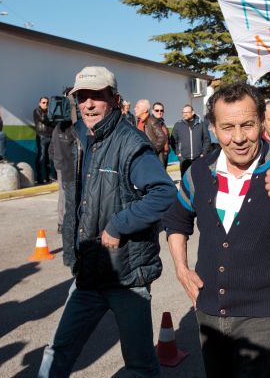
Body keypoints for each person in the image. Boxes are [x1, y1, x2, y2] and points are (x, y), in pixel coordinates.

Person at [163, 82, 270, 378]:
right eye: (228, 127)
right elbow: (177, 220)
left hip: (260, 316)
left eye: (248, 125)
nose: (239, 138)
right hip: (208, 311)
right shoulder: (199, 172)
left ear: (262, 123)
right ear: (213, 129)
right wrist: (181, 268)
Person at [38, 66, 176, 377]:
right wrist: (73, 255)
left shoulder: (130, 143)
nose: (88, 104)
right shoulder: (79, 139)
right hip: (89, 271)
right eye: (82, 97)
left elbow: (164, 194)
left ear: (113, 100)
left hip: (126, 276)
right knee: (58, 351)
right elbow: (79, 202)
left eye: (96, 97)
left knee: (140, 364)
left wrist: (118, 225)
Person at [170, 104, 211, 177]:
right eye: (183, 112)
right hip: (184, 159)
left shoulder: (201, 124)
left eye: (187, 112)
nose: (184, 114)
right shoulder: (178, 125)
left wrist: (203, 153)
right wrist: (178, 153)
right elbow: (173, 140)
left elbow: (207, 140)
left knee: (198, 179)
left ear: (192, 112)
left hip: (198, 158)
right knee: (185, 180)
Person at [49, 119, 74, 236]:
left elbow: (51, 147)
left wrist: (56, 162)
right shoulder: (74, 127)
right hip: (69, 165)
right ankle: (65, 223)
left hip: (60, 164)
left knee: (63, 194)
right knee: (66, 194)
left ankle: (61, 223)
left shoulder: (57, 127)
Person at [133, 98, 168, 163]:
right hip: (142, 158)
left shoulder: (152, 121)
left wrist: (152, 151)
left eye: (137, 107)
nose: (134, 109)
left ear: (145, 110)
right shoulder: (139, 121)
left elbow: (163, 137)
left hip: (152, 159)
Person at [33, 97, 56, 184]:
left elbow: (55, 122)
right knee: (41, 157)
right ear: (40, 103)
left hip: (50, 136)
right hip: (42, 136)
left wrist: (52, 119)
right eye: (43, 102)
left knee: (49, 158)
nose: (45, 104)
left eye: (47, 103)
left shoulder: (49, 112)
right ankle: (39, 178)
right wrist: (51, 118)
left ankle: (48, 177)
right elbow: (44, 120)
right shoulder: (37, 111)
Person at [151, 101, 170, 168]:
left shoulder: (162, 122)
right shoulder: (150, 122)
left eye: (161, 110)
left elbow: (167, 137)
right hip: (157, 154)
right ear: (152, 111)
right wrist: (155, 151)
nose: (159, 112)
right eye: (157, 110)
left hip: (165, 153)